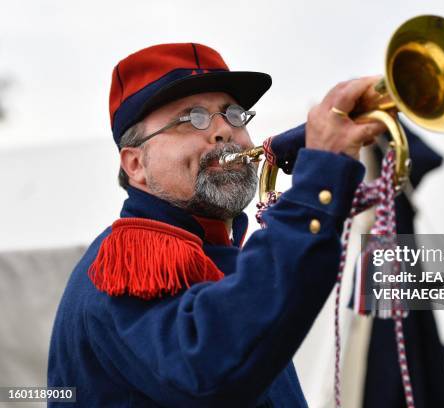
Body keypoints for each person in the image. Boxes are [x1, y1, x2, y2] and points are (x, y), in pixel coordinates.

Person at [47, 43, 385, 407]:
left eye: (234, 114)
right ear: (135, 165)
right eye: (192, 117)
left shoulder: (216, 250)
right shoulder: (126, 261)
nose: (225, 130)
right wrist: (315, 188)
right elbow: (211, 370)